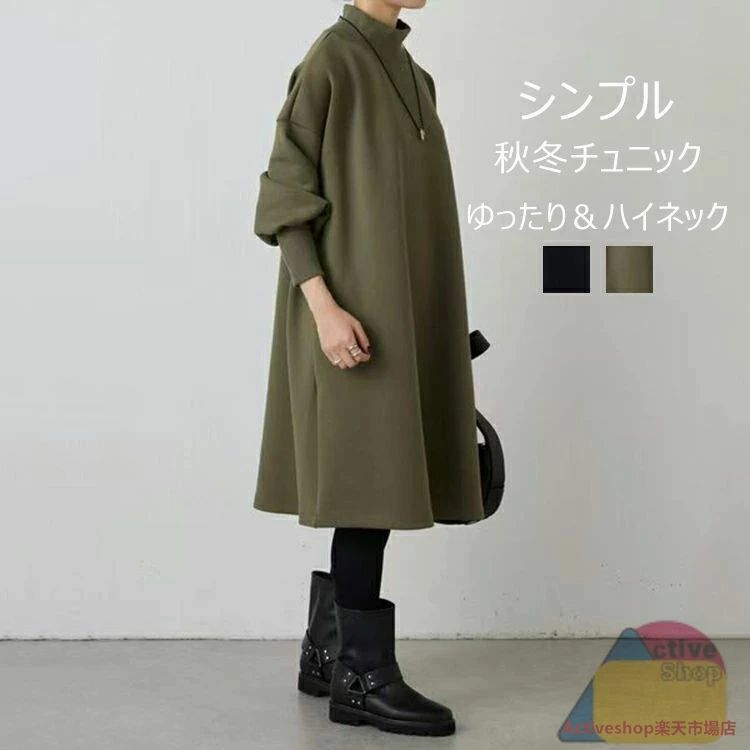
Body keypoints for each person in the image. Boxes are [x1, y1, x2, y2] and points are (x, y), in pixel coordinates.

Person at [252, 0, 483, 736]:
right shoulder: (331, 58)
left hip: (399, 319)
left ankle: (326, 653)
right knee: (365, 490)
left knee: (372, 488)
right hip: (347, 318)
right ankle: (363, 677)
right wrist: (323, 308)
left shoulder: (415, 75)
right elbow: (286, 196)